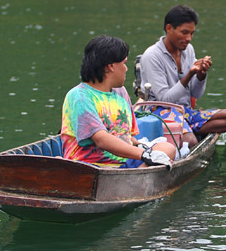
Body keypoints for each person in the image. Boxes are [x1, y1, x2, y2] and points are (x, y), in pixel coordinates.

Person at [61, 35, 176, 168]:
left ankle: (136, 177)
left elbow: (128, 137)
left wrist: (146, 148)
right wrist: (145, 155)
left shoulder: (120, 92)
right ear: (110, 66)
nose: (126, 69)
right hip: (91, 167)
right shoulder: (80, 96)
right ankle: (136, 180)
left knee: (167, 148)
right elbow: (101, 139)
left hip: (123, 162)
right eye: (124, 63)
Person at [139, 5, 226, 145]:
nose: (189, 38)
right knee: (190, 142)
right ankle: (189, 132)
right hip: (160, 112)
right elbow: (164, 99)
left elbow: (196, 94)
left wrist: (201, 75)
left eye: (192, 33)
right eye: (184, 32)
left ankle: (188, 128)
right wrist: (189, 75)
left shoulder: (188, 49)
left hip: (186, 111)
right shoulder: (152, 56)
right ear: (169, 28)